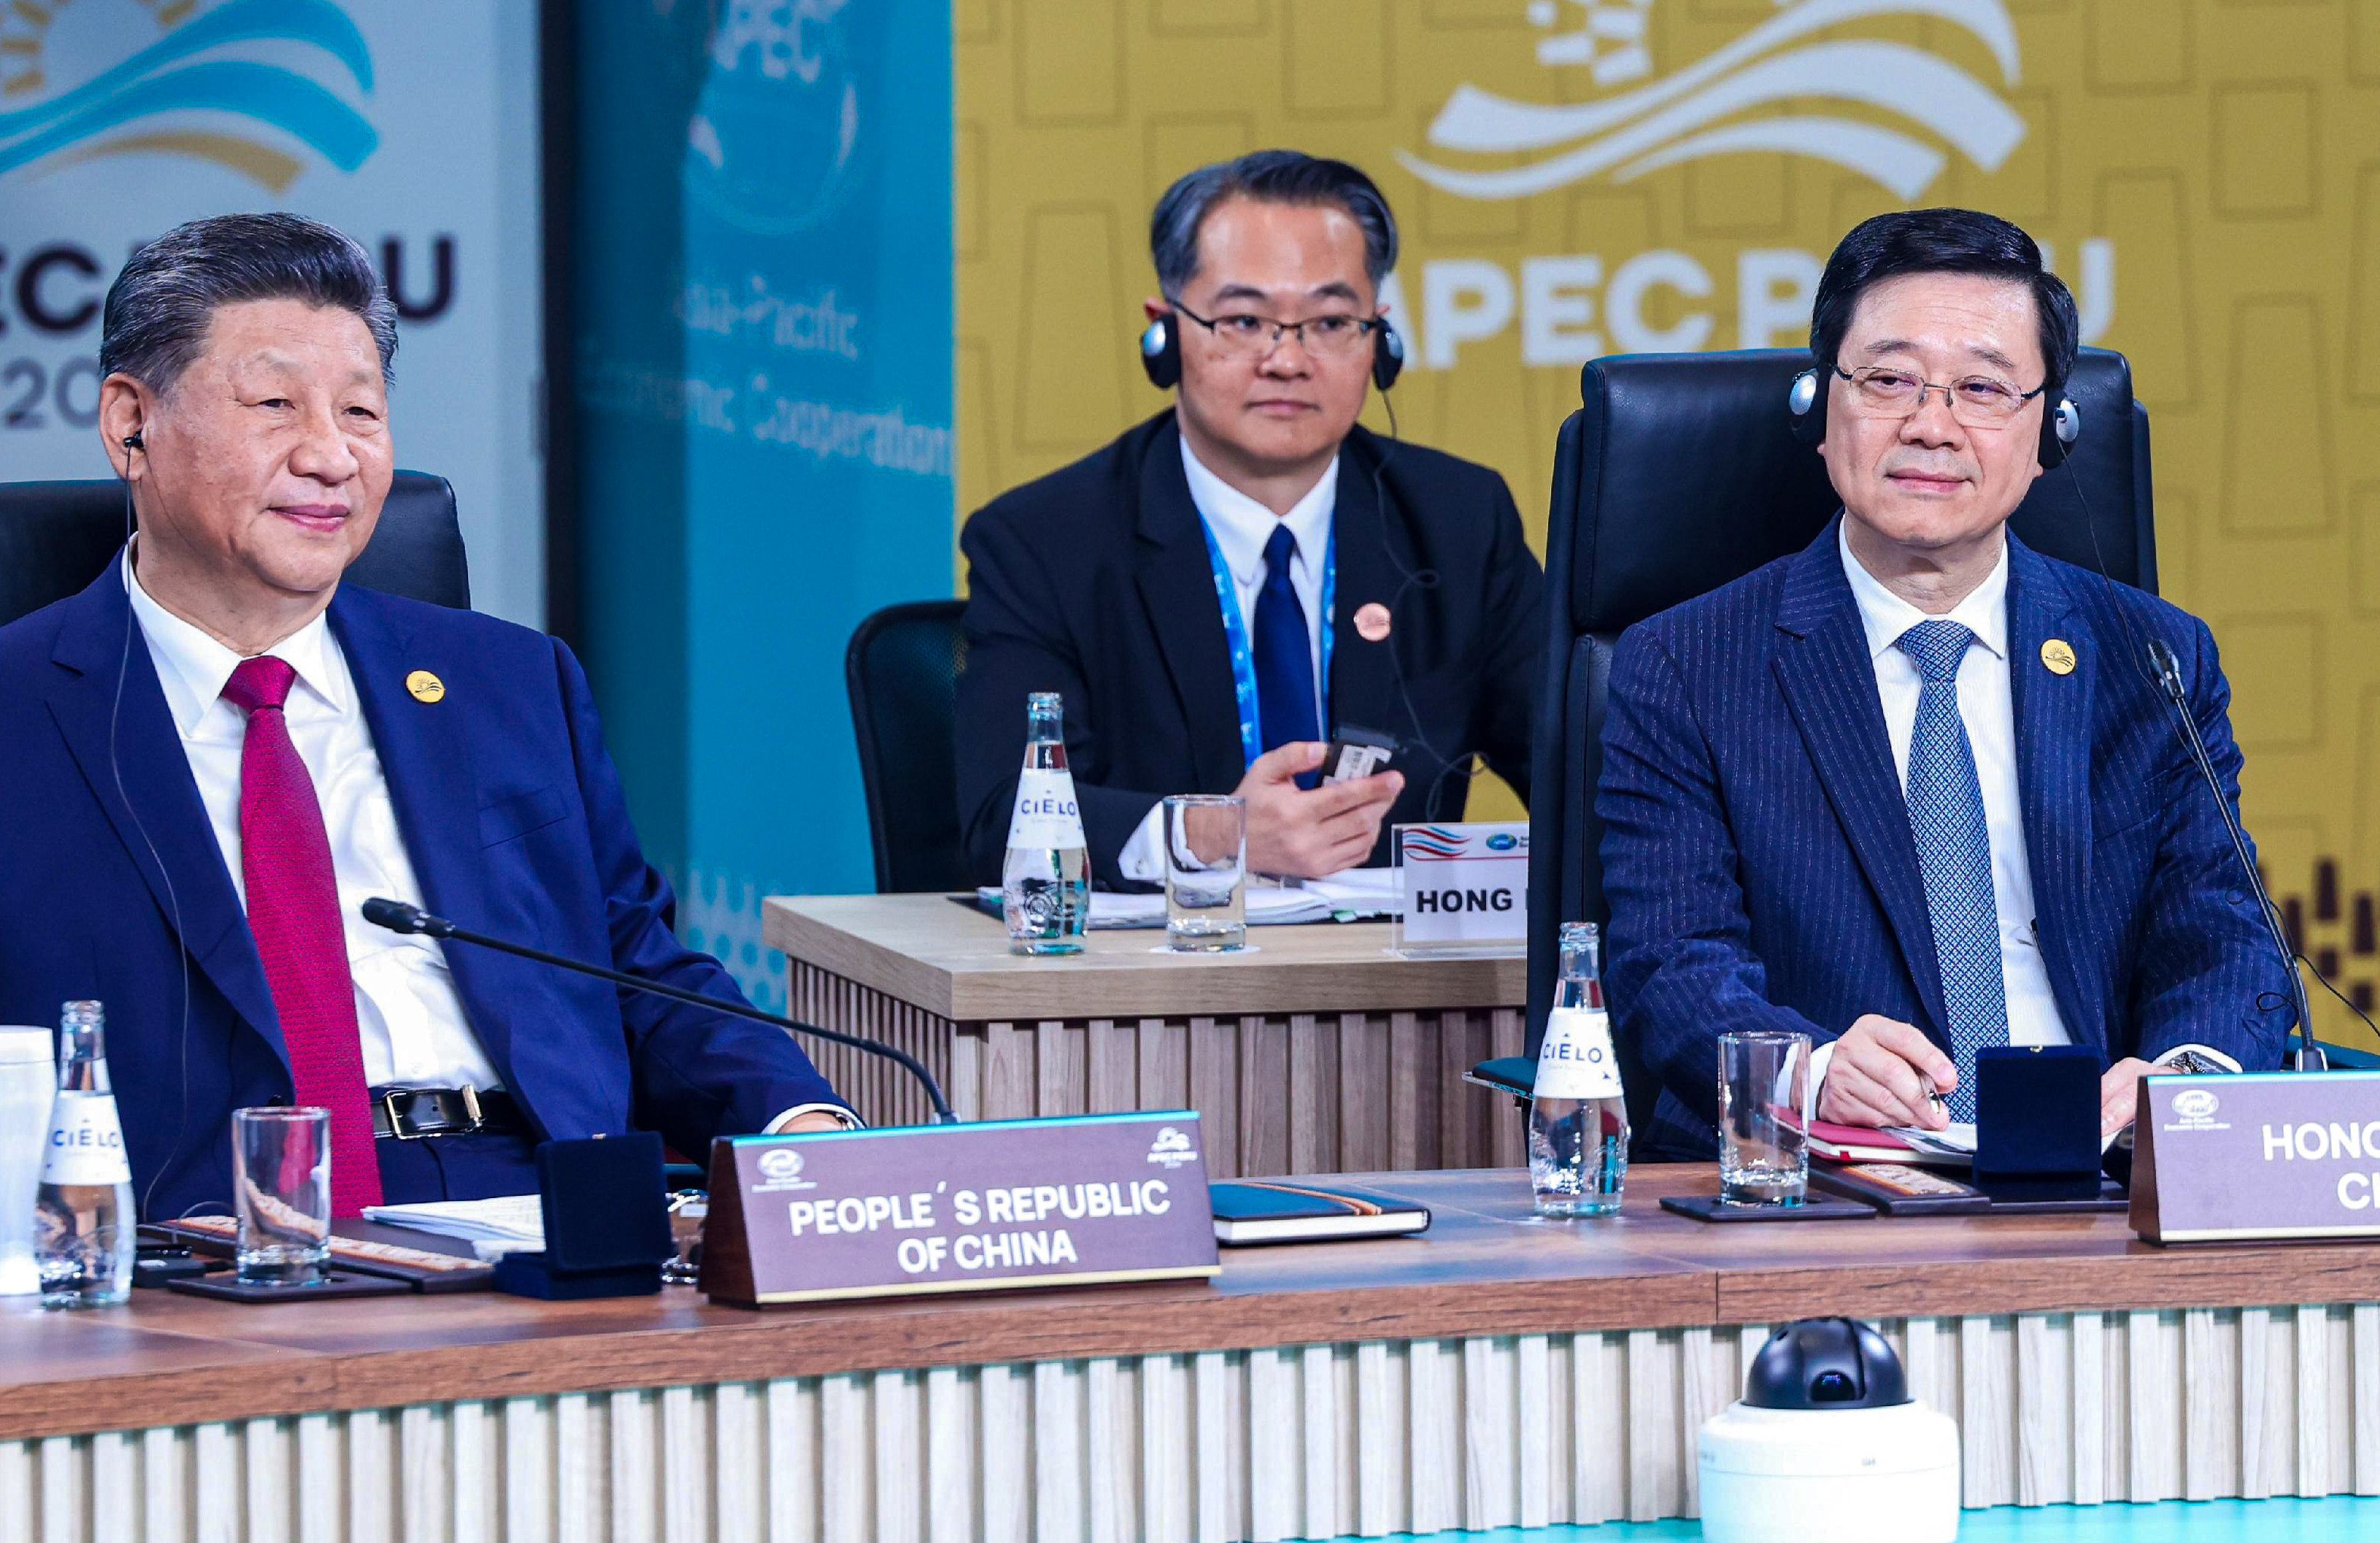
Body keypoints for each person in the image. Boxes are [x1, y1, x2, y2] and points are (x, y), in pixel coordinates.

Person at [0, 214, 848, 1247]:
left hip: (545, 1213)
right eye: (274, 405)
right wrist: (63, 1241)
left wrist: (800, 1126)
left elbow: (635, 969)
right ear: (130, 421)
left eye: (360, 411)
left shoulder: (510, 684)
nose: (330, 456)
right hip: (201, 1251)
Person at [1595, 207, 2287, 1160]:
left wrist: (2187, 1078)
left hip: (2102, 1176)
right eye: (1889, 380)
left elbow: (2224, 930)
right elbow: (1668, 964)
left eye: (1982, 388)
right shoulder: (1687, 663)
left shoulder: (2152, 657)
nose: (1932, 425)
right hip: (1827, 1182)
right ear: (1819, 407)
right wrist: (1813, 1067)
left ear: (2053, 429)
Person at [956, 151, 1543, 887]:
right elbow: (1001, 816)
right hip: (1151, 986)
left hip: (1398, 985)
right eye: (1244, 319)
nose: (1287, 359)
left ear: (1380, 339)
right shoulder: (1044, 542)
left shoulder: (1458, 523)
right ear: (1164, 331)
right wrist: (1211, 835)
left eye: (1330, 321)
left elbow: (1588, 778)